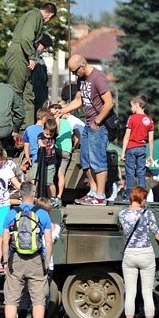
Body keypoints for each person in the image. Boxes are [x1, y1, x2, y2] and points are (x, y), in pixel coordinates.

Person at [53, 54, 115, 205]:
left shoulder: (97, 77)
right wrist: (63, 110)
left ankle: (100, 196)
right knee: (85, 159)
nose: (74, 74)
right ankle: (93, 192)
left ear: (83, 65)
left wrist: (97, 121)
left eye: (75, 71)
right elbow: (79, 100)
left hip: (99, 126)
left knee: (98, 160)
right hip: (88, 124)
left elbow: (109, 103)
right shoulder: (81, 79)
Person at [1, 182, 53, 318]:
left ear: (20, 195)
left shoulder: (11, 213)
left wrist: (5, 261)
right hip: (36, 259)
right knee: (38, 296)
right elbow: (49, 241)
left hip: (15, 259)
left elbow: (4, 239)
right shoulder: (42, 214)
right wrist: (46, 260)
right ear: (33, 193)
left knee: (11, 295)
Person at [118, 186, 159, 318]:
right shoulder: (148, 213)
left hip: (129, 253)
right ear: (141, 198)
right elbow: (157, 235)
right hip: (146, 254)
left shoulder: (123, 214)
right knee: (147, 293)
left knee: (130, 293)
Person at [5, 3, 57, 127]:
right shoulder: (35, 16)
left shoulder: (34, 17)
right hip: (20, 56)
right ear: (50, 15)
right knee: (16, 93)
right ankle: (15, 130)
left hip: (24, 57)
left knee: (28, 95)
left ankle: (28, 130)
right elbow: (25, 37)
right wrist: (31, 57)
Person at [49, 102, 83, 201]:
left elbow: (56, 132)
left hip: (58, 148)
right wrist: (74, 147)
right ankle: (59, 196)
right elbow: (77, 135)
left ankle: (51, 195)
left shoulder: (55, 122)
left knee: (51, 170)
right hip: (67, 151)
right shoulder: (68, 122)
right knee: (61, 174)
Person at [120, 95, 155, 191]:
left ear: (137, 105)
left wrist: (123, 152)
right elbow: (151, 139)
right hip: (142, 148)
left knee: (130, 172)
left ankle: (129, 195)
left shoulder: (132, 118)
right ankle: (141, 195)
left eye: (132, 105)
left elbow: (127, 136)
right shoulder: (149, 120)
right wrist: (151, 155)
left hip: (131, 147)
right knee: (141, 173)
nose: (131, 108)